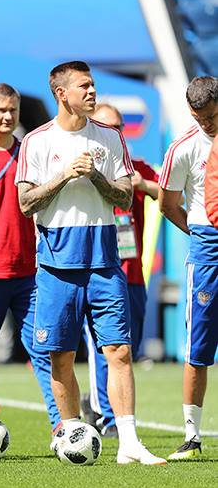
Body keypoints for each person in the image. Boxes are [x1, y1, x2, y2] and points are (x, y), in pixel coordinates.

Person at [16, 60, 164, 465]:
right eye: (84, 86)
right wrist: (65, 176)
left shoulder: (110, 137)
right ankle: (71, 434)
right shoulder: (36, 141)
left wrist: (96, 175)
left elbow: (125, 198)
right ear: (61, 93)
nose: (92, 91)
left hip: (104, 262)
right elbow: (26, 203)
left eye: (93, 84)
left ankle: (129, 442)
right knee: (60, 356)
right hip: (56, 265)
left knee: (119, 351)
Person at [0, 83, 61, 435]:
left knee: (44, 349)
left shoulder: (28, 153)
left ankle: (61, 424)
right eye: (1, 110)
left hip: (28, 273)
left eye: (13, 110)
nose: (8, 117)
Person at [81, 103, 159, 437]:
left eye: (118, 127)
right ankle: (108, 417)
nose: (113, 133)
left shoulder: (136, 167)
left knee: (129, 347)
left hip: (132, 274)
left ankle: (95, 403)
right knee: (106, 348)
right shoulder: (84, 169)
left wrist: (142, 185)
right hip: (99, 273)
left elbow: (169, 195)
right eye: (106, 126)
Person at [168, 76, 218, 460]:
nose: (207, 124)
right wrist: (198, 233)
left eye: (212, 117)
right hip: (206, 246)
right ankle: (192, 436)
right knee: (198, 345)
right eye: (200, 118)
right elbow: (169, 203)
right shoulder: (183, 147)